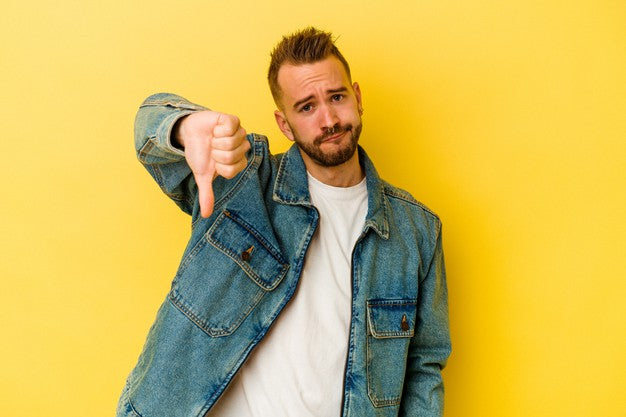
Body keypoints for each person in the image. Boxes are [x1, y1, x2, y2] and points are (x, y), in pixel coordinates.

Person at [117, 27, 451, 417]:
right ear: (284, 123)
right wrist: (183, 128)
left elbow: (423, 367)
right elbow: (148, 123)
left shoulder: (417, 231)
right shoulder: (241, 182)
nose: (328, 119)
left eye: (337, 97)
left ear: (357, 98)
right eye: (306, 107)